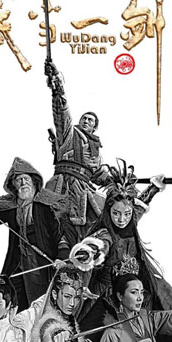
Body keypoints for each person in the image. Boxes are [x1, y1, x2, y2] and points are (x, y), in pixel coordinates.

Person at [76, 160, 172, 342]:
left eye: (126, 214)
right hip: (109, 296)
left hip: (136, 291)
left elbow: (140, 206)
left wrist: (153, 188)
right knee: (96, 339)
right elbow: (100, 245)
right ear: (108, 211)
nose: (121, 220)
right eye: (116, 214)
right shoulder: (105, 233)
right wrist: (90, 252)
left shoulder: (131, 221)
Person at [0, 157, 67, 311]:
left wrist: (61, 257)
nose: (22, 183)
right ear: (13, 185)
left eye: (26, 179)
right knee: (15, 301)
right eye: (18, 180)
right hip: (18, 262)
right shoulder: (12, 205)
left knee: (40, 304)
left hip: (43, 263)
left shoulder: (48, 204)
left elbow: (61, 234)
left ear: (34, 181)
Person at [44, 59, 107, 243]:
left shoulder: (96, 150)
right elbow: (61, 113)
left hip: (85, 190)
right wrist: (57, 87)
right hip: (63, 184)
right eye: (84, 118)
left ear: (94, 127)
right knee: (55, 222)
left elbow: (98, 175)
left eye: (90, 120)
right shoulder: (70, 134)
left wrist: (118, 180)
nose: (86, 121)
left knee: (103, 220)